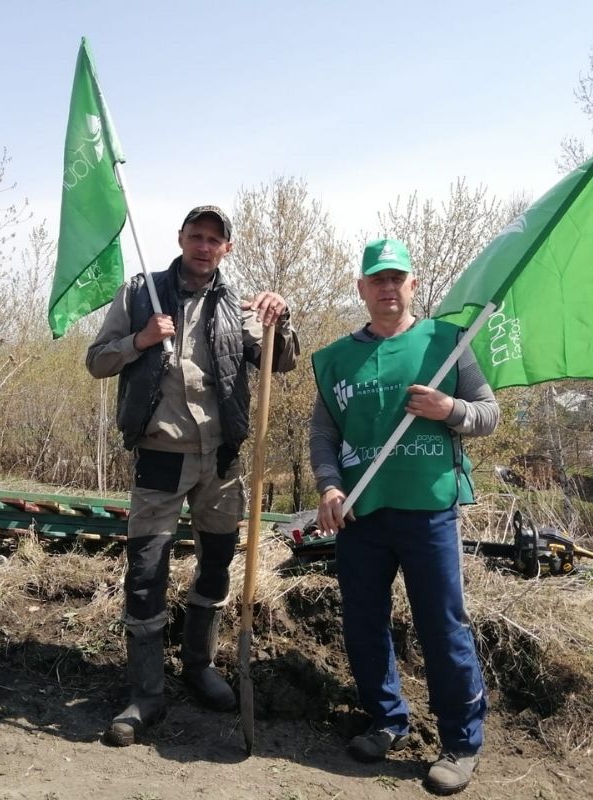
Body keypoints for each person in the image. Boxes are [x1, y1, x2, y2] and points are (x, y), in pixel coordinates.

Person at [84, 205, 298, 747]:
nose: (204, 246)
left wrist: (282, 318)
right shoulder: (140, 295)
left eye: (214, 239)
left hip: (221, 459)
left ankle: (199, 668)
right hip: (161, 452)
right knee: (146, 571)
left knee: (217, 565)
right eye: (195, 236)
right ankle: (146, 693)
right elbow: (97, 360)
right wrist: (141, 341)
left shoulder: (239, 305)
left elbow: (282, 362)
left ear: (226, 248)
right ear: (180, 238)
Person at [310, 239, 499, 796]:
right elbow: (324, 434)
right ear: (362, 289)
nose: (388, 288)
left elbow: (490, 413)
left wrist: (451, 410)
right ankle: (387, 720)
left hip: (429, 509)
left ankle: (460, 743)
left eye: (397, 279)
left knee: (442, 625)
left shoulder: (446, 343)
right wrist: (327, 486)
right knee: (363, 621)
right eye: (377, 280)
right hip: (361, 515)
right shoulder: (337, 359)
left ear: (412, 285)